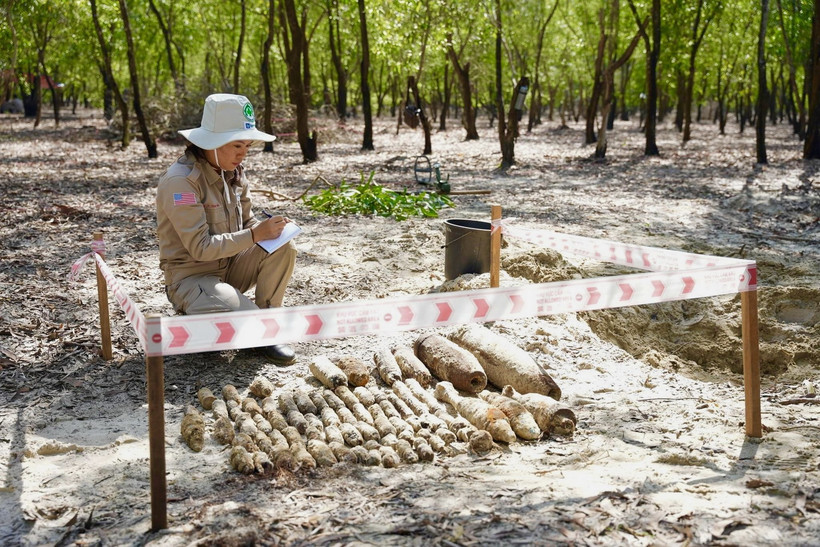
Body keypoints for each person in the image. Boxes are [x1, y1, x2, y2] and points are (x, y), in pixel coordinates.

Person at [156, 93, 297, 364]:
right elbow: (200, 247)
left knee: (283, 246)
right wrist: (256, 234)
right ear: (212, 143)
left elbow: (247, 224)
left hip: (230, 269)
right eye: (236, 145)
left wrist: (272, 230)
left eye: (248, 145)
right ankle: (234, 321)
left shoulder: (233, 173)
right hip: (192, 280)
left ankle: (265, 325)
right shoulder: (181, 182)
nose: (243, 153)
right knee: (238, 313)